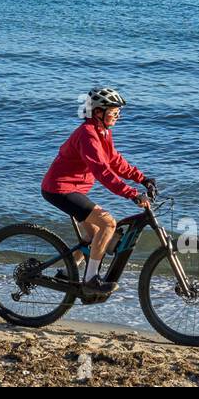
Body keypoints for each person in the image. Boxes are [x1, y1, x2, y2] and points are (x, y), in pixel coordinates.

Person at [41, 87, 153, 297]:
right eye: (114, 112)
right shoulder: (88, 135)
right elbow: (102, 171)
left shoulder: (102, 132)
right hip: (59, 189)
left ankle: (66, 273)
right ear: (99, 112)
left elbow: (115, 161)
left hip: (73, 189)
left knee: (93, 235)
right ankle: (91, 279)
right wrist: (131, 193)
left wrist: (143, 179)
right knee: (108, 223)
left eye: (119, 112)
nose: (118, 116)